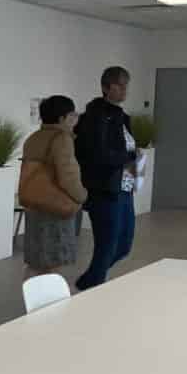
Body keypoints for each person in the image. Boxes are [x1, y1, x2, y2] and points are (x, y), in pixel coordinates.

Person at [74, 66, 137, 290]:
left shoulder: (123, 117)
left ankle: (87, 282)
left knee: (124, 246)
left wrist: (134, 172)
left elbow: (128, 152)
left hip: (125, 188)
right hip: (104, 191)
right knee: (107, 247)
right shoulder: (94, 117)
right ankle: (92, 287)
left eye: (125, 85)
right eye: (119, 85)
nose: (124, 90)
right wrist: (128, 156)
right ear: (105, 87)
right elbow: (97, 155)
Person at [17, 95, 84, 281]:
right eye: (72, 114)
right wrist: (82, 196)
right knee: (55, 261)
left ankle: (31, 294)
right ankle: (53, 297)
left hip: (34, 204)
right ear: (62, 118)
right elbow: (67, 176)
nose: (75, 118)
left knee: (36, 260)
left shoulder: (33, 138)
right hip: (55, 207)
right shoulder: (61, 139)